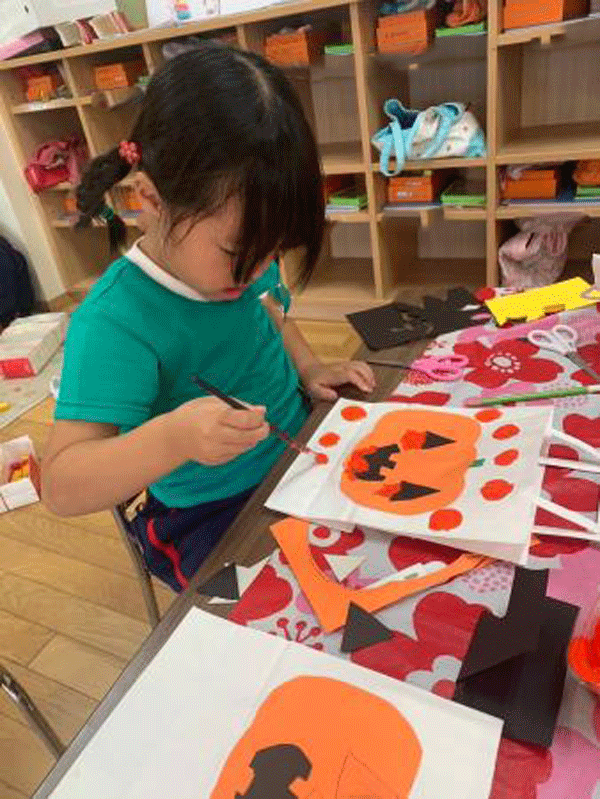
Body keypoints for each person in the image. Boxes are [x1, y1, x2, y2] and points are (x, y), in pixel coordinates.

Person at [42, 43, 375, 591]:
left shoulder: (241, 260)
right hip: (208, 512)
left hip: (298, 454)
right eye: (241, 252)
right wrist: (172, 439)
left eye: (273, 249)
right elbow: (60, 484)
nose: (262, 268)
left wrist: (309, 367)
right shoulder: (115, 321)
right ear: (151, 200)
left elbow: (269, 310)